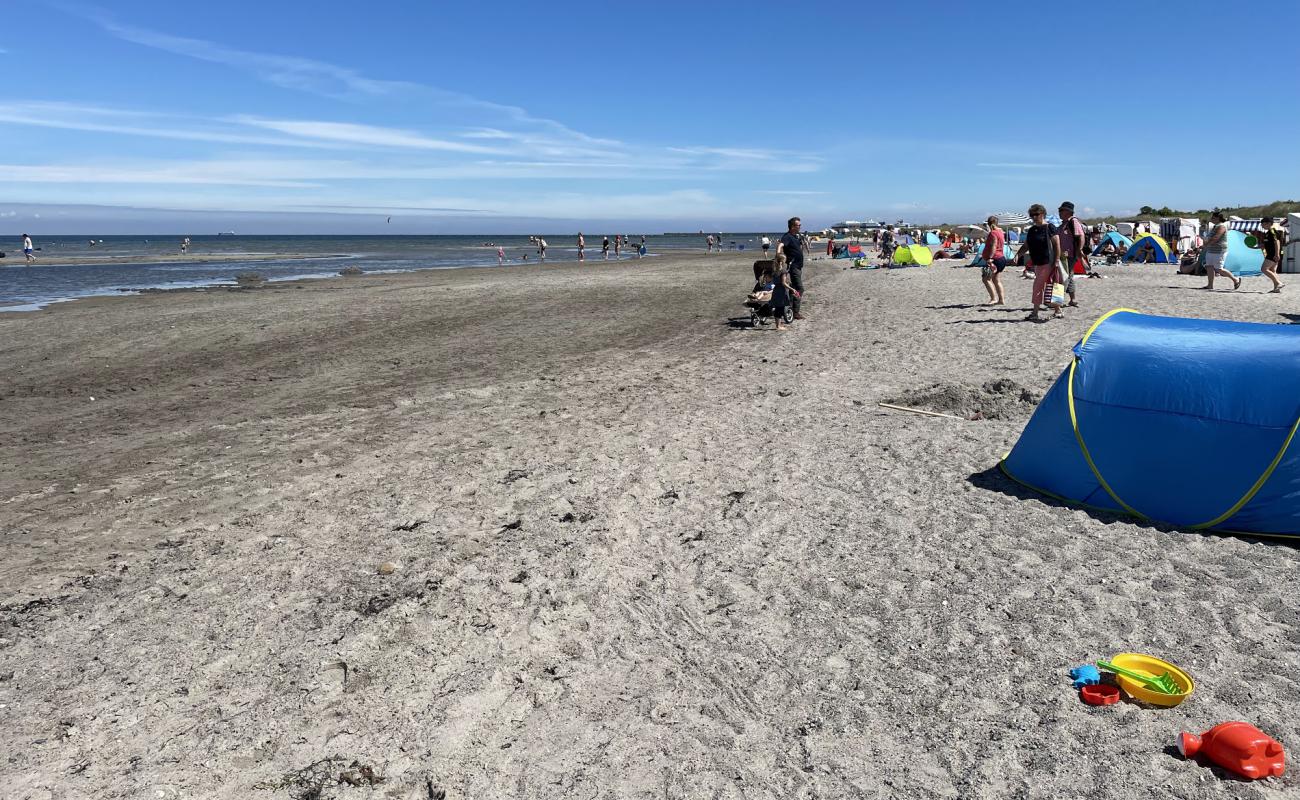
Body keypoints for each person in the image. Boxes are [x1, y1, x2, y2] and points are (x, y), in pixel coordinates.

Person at [1017, 204, 1061, 322]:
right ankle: (1058, 310)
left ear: (1042, 214)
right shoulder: (1032, 230)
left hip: (1049, 262)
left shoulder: (1049, 227)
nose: (1034, 217)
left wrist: (1056, 260)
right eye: (1032, 215)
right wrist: (1017, 255)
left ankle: (1035, 313)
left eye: (1036, 215)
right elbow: (1026, 245)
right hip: (1038, 263)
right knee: (1049, 286)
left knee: (1042, 286)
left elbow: (1057, 244)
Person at [775, 217, 806, 320]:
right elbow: (781, 245)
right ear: (793, 226)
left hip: (798, 266)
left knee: (793, 287)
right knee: (799, 288)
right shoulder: (787, 236)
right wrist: (778, 254)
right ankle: (795, 311)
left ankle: (791, 309)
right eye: (798, 225)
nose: (800, 227)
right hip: (793, 267)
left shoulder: (795, 236)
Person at [1054, 202, 1085, 306]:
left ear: (1068, 211)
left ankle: (1057, 301)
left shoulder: (1073, 221)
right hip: (1064, 255)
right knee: (1069, 276)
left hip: (1069, 255)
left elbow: (1080, 236)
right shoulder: (1064, 224)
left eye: (1061, 210)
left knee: (1061, 277)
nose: (1059, 212)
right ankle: (1072, 299)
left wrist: (1080, 249)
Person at [1201, 211, 1240, 290]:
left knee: (1219, 269)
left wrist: (1206, 244)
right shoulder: (1215, 226)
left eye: (1213, 217)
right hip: (1211, 250)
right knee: (1209, 267)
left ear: (1218, 218)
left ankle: (1235, 279)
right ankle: (1210, 285)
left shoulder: (1221, 226)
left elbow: (1216, 237)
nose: (1211, 219)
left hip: (1219, 250)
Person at [979, 215, 1007, 305]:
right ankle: (1001, 300)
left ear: (990, 224)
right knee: (996, 279)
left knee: (986, 279)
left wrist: (990, 258)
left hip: (995, 259)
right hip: (1001, 258)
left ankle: (993, 298)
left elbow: (994, 245)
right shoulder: (1001, 232)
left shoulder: (993, 233)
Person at [1256, 216, 1285, 293]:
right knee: (1273, 270)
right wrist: (1252, 247)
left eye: (1263, 224)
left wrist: (1277, 254)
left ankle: (1279, 283)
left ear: (1269, 223)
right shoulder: (1267, 233)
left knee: (1264, 269)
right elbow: (1263, 245)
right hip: (1274, 253)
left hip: (1274, 253)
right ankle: (1276, 288)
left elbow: (1277, 242)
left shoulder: (1272, 231)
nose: (1262, 226)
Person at [769, 255, 794, 331]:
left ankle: (778, 324)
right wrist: (792, 289)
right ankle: (778, 326)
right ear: (782, 262)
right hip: (781, 291)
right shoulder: (783, 271)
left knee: (778, 308)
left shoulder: (774, 271)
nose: (785, 262)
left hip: (776, 290)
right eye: (785, 260)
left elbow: (773, 281)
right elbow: (783, 283)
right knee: (780, 308)